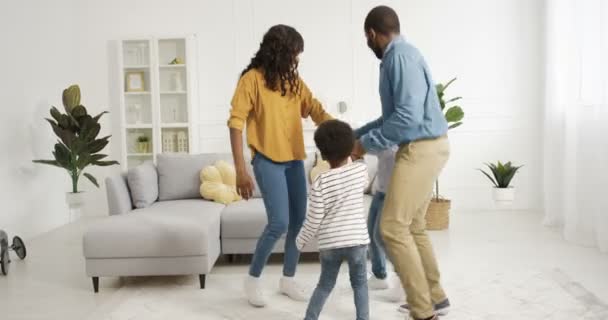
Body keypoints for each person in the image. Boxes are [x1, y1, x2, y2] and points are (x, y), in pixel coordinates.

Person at [351, 6, 451, 320]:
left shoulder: (398, 58)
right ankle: (435, 297)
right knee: (415, 226)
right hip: (430, 146)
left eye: (366, 39)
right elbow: (392, 117)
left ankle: (422, 311)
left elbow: (407, 120)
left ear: (371, 34)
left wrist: (362, 146)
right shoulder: (404, 54)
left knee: (392, 227)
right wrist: (354, 136)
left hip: (420, 149)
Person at [227, 24, 333, 307]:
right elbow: (236, 124)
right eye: (294, 54)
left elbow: (315, 108)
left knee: (299, 223)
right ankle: (252, 280)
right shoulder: (251, 80)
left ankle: (288, 279)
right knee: (280, 223)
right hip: (267, 161)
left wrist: (341, 133)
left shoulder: (293, 81)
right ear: (280, 52)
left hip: (293, 161)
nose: (297, 60)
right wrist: (240, 171)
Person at [296, 119, 370, 320]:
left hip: (330, 245)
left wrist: (300, 240)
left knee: (325, 284)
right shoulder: (360, 170)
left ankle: (310, 318)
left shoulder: (320, 181)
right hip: (357, 241)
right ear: (351, 147)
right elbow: (364, 184)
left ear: (322, 153)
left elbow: (314, 219)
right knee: (360, 284)